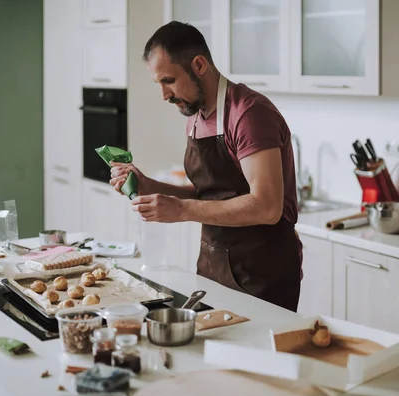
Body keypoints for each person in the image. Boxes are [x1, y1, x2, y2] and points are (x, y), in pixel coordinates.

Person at [109, 21, 302, 312]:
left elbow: (266, 206)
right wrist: (149, 185)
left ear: (199, 65)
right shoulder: (196, 115)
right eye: (158, 83)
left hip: (263, 273)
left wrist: (181, 210)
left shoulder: (249, 114)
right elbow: (212, 193)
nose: (164, 95)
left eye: (169, 81)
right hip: (214, 267)